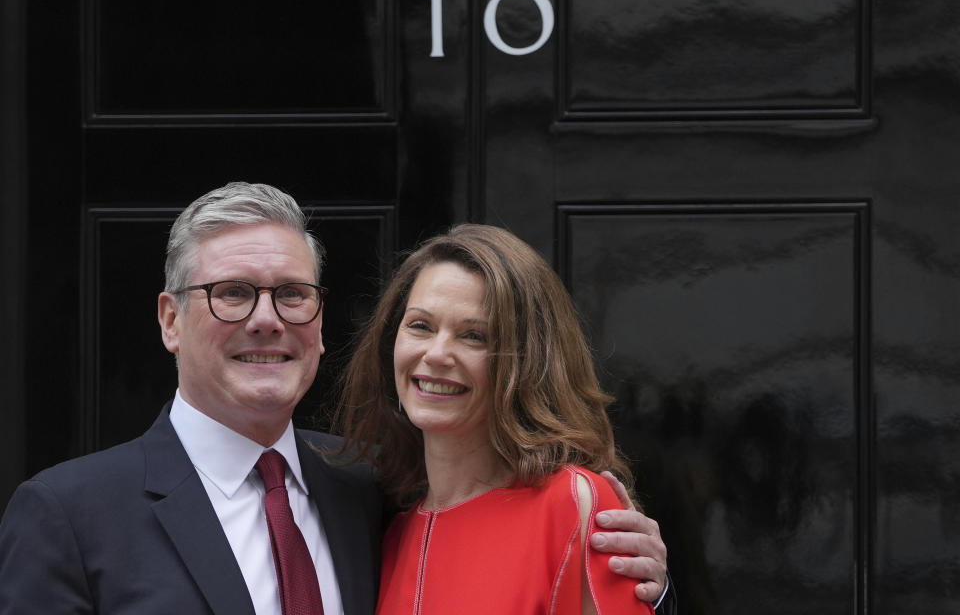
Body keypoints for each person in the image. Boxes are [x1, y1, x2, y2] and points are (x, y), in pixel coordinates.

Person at [0, 183, 671, 615]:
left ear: (319, 324)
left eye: (292, 294)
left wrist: (649, 590)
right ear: (170, 320)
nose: (267, 319)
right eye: (232, 293)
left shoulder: (373, 488)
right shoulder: (67, 517)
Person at [335, 223, 665, 613]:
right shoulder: (391, 534)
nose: (438, 354)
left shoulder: (571, 502)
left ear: (527, 361)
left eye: (475, 336)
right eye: (421, 326)